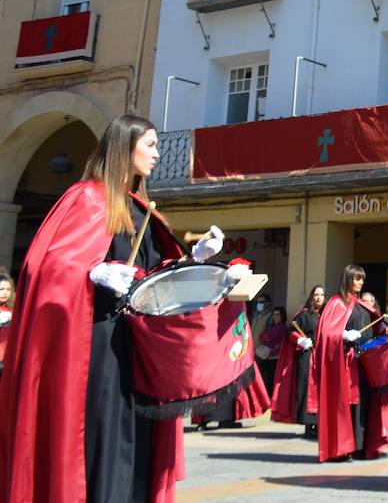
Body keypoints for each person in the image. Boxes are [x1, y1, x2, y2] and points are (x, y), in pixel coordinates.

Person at [0, 113, 225, 502]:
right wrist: (92, 273)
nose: (157, 153)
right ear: (125, 146)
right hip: (98, 346)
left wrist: (193, 259)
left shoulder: (142, 209)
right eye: (150, 144)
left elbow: (154, 277)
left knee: (136, 441)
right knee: (101, 437)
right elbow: (45, 266)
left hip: (139, 348)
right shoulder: (87, 197)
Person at [310, 264, 388, 463]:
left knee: (362, 404)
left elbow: (373, 324)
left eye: (362, 279)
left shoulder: (358, 303)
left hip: (363, 362)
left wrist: (385, 326)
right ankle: (340, 449)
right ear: (348, 279)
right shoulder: (336, 303)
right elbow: (326, 333)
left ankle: (361, 447)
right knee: (343, 405)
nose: (361, 283)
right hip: (344, 364)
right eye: (357, 279)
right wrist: (343, 334)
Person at [273, 285, 325, 439]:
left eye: (322, 295)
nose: (319, 298)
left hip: (321, 357)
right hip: (307, 357)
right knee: (307, 390)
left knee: (320, 391)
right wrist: (300, 340)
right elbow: (290, 331)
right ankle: (309, 425)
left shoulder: (325, 315)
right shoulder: (303, 315)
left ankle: (319, 424)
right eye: (316, 294)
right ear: (311, 296)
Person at [255, 306, 288, 396]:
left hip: (274, 358)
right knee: (264, 378)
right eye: (274, 315)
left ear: (282, 316)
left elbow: (267, 336)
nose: (275, 317)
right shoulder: (272, 326)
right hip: (267, 357)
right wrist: (266, 337)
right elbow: (262, 336)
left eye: (277, 315)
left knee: (270, 380)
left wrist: (267, 337)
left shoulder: (282, 327)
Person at [0, 270, 13, 378]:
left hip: (7, 360)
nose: (5, 292)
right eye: (2, 289)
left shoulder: (11, 310)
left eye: (8, 289)